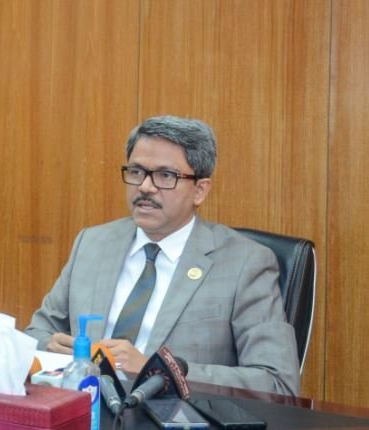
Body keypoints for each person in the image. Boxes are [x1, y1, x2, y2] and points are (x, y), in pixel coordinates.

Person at [25, 115, 300, 396]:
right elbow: (36, 334)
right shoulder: (93, 244)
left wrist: (160, 372)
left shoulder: (245, 263)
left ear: (200, 190)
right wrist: (51, 348)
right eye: (136, 172)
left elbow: (276, 382)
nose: (145, 186)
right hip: (85, 409)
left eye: (165, 176)